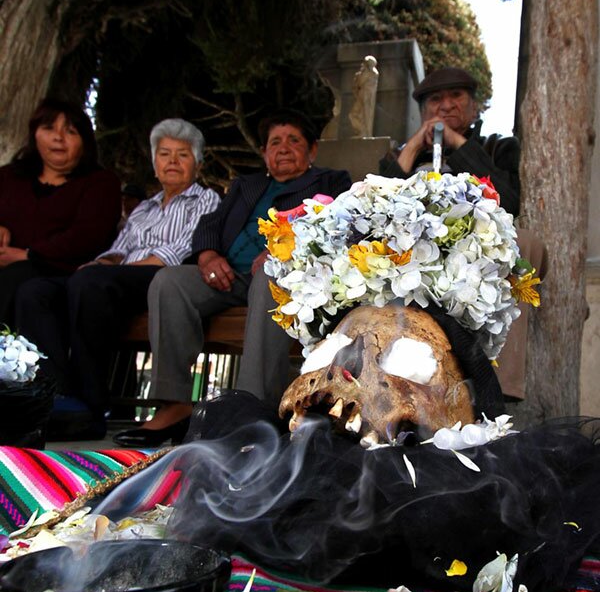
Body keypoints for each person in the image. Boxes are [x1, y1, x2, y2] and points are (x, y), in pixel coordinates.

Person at [113, 108, 352, 448]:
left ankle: (252, 411)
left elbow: (337, 221)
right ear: (265, 153)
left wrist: (284, 249)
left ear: (312, 150)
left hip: (286, 277)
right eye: (274, 142)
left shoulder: (332, 181)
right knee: (169, 282)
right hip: (229, 276)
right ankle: (174, 405)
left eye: (294, 141)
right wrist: (208, 255)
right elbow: (210, 223)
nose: (283, 148)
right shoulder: (246, 185)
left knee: (271, 275)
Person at [15, 118, 220, 438]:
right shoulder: (144, 209)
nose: (172, 162)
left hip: (160, 279)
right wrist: (100, 263)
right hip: (113, 279)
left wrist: (105, 271)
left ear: (198, 164)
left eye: (183, 155)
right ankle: (57, 396)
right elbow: (118, 250)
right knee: (35, 291)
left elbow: (179, 252)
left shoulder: (206, 200)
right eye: (165, 154)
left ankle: (92, 406)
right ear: (154, 164)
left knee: (90, 283)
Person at [0, 98, 122, 325]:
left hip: (61, 275)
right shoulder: (8, 177)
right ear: (34, 134)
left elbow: (88, 236)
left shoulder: (100, 184)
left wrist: (29, 256)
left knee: (15, 280)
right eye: (48, 128)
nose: (58, 137)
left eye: (70, 131)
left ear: (84, 141)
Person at [379, 67, 521, 216]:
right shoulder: (398, 156)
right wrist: (412, 148)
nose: (447, 106)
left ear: (473, 107)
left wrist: (456, 141)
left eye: (456, 95)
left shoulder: (497, 147)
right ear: (423, 113)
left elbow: (509, 203)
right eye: (435, 98)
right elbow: (380, 210)